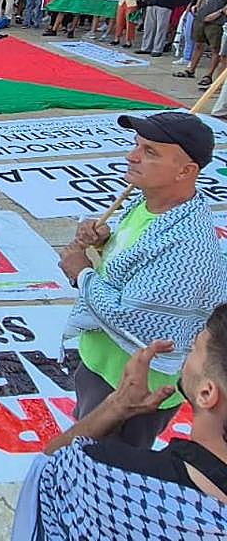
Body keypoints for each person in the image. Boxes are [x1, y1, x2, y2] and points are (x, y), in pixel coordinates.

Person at [59, 112, 224, 448]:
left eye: (150, 152)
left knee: (105, 467)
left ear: (186, 171)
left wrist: (81, 273)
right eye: (136, 145)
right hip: (103, 363)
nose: (131, 156)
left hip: (134, 390)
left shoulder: (188, 248)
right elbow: (137, 268)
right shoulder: (147, 202)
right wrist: (105, 243)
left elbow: (136, 320)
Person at [12, 309, 227, 540]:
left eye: (195, 349)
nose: (187, 354)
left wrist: (117, 405)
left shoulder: (107, 474)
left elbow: (46, 473)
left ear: (206, 393)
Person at [175, 0, 227, 84]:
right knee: (198, 44)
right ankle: (191, 69)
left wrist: (218, 13)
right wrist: (197, 5)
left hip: (217, 19)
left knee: (216, 48)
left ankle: (209, 75)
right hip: (202, 15)